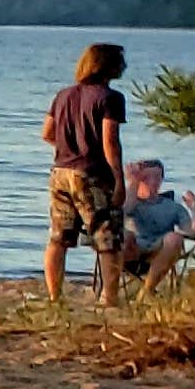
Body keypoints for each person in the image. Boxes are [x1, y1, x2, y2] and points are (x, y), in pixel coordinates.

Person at [44, 43, 131, 306]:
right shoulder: (110, 98)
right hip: (91, 172)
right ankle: (109, 298)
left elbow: (47, 133)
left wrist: (70, 147)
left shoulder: (63, 96)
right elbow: (110, 141)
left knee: (59, 238)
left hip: (60, 171)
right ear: (109, 66)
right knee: (106, 237)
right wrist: (118, 179)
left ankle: (54, 297)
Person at [122, 157, 195, 294]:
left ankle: (147, 291)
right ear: (139, 179)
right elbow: (126, 210)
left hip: (160, 252)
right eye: (147, 177)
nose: (153, 181)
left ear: (162, 179)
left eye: (157, 176)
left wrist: (194, 209)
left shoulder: (173, 207)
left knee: (174, 238)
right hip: (132, 251)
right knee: (126, 235)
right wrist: (133, 182)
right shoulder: (130, 201)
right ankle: (110, 294)